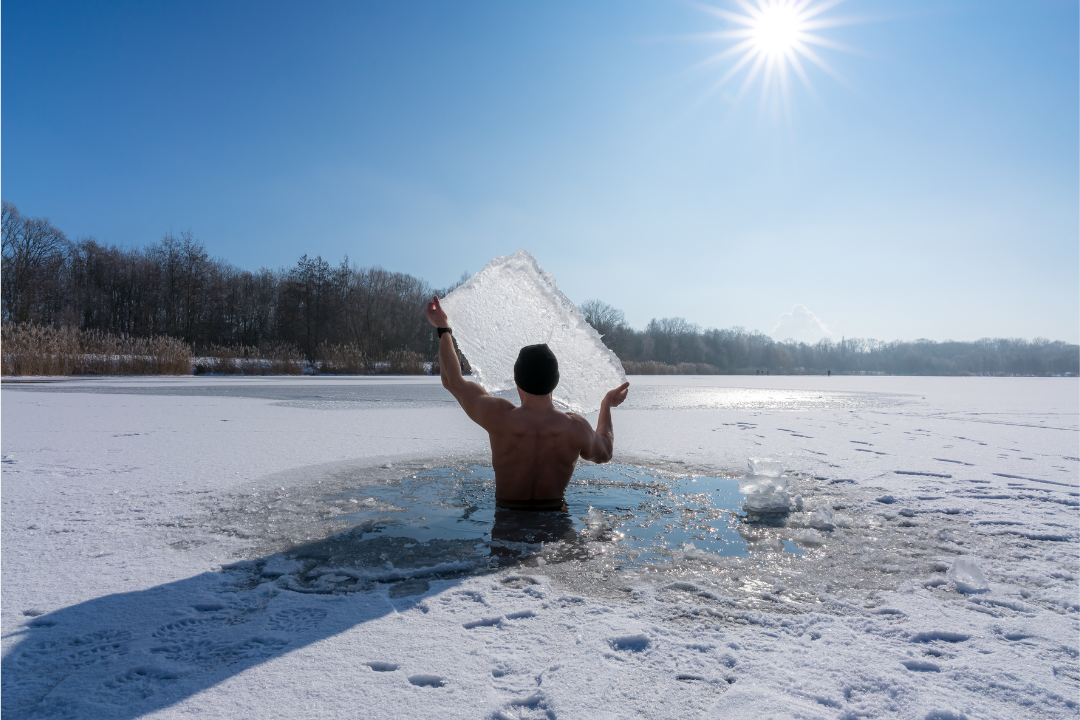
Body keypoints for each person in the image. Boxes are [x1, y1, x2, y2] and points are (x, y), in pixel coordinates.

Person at [425, 295, 629, 511]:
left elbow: (452, 381)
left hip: (507, 522)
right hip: (554, 522)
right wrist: (606, 404)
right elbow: (605, 452)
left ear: (517, 380)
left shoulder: (499, 417)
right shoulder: (575, 427)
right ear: (555, 382)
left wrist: (443, 329)